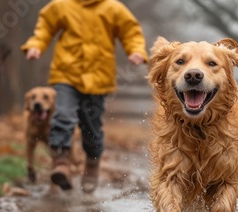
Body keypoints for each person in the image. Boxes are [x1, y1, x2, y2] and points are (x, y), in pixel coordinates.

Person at [22, 0, 148, 193]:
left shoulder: (112, 8)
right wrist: (36, 45)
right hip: (66, 75)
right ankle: (61, 162)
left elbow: (130, 30)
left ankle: (91, 164)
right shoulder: (61, 5)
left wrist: (136, 50)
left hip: (98, 79)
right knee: (62, 115)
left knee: (91, 127)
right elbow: (45, 26)